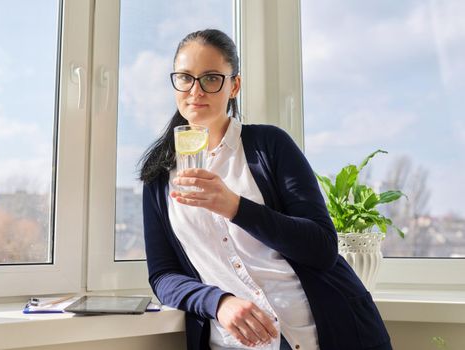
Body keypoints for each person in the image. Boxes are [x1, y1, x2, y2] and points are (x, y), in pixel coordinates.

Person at [139, 28, 392, 350]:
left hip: (330, 331)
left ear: (234, 86)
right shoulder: (158, 177)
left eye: (211, 78)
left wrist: (234, 206)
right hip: (238, 341)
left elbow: (322, 246)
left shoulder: (269, 145)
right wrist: (218, 302)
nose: (196, 90)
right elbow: (163, 276)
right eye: (185, 77)